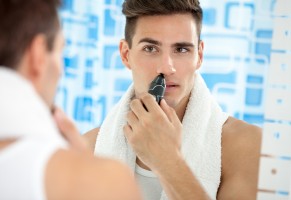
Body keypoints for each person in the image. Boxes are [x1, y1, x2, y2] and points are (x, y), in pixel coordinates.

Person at [84, 0, 262, 199]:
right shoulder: (88, 149)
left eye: (181, 49)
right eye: (151, 49)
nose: (167, 68)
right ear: (126, 55)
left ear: (199, 56)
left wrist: (167, 162)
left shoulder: (248, 147)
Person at [0, 0, 141, 200]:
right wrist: (86, 170)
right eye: (60, 51)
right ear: (38, 54)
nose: (61, 71)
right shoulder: (104, 181)